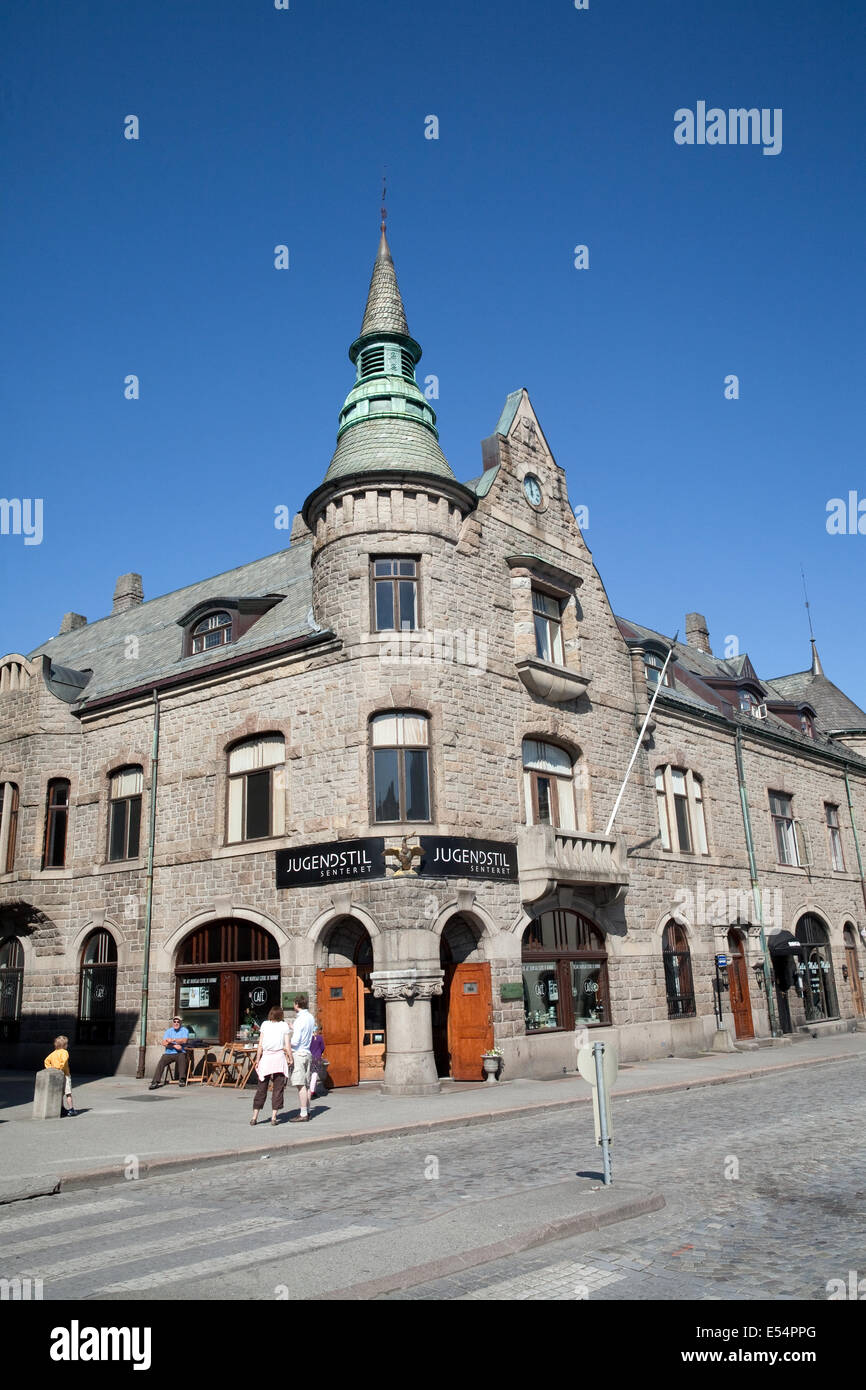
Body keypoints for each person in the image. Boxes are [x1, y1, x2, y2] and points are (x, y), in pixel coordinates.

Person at [250, 1005, 291, 1126]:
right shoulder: (284, 1025)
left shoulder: (264, 1024)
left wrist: (257, 1059)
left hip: (266, 1057)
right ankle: (274, 1117)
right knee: (278, 1088)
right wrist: (290, 1057)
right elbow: (287, 1045)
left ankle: (254, 1116)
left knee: (261, 1087)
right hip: (278, 1057)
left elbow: (260, 1045)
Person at [288, 993, 316, 1122]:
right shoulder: (310, 1017)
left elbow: (295, 1041)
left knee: (300, 1085)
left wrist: (287, 1042)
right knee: (307, 1084)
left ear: (297, 1004)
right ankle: (308, 1110)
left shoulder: (299, 1019)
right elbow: (306, 1032)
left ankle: (303, 1113)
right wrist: (294, 1028)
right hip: (307, 1052)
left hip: (299, 1053)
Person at [148, 1015, 189, 1088]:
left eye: (178, 1022)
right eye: (174, 1021)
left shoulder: (184, 1030)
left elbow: (184, 1040)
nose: (176, 1023)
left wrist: (172, 1040)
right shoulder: (168, 1031)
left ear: (180, 1023)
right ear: (173, 1023)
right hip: (169, 1053)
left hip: (180, 1053)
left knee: (182, 1057)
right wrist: (174, 1045)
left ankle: (182, 1079)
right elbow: (164, 1043)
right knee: (162, 1061)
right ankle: (155, 1081)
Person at [44, 1035, 76, 1116]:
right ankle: (71, 1109)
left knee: (60, 1093)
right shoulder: (65, 1052)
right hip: (65, 1074)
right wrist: (60, 1068)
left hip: (56, 1075)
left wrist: (51, 1069)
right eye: (67, 1044)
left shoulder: (53, 1053)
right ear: (65, 1045)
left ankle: (61, 1109)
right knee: (68, 1093)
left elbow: (46, 1061)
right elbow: (64, 1061)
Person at [309, 1024, 328, 1104]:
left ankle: (311, 1090)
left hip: (309, 1057)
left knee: (309, 1074)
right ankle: (312, 1091)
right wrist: (320, 1052)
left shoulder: (309, 1038)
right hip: (317, 1057)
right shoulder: (319, 1038)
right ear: (317, 1031)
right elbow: (323, 1047)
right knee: (315, 1074)